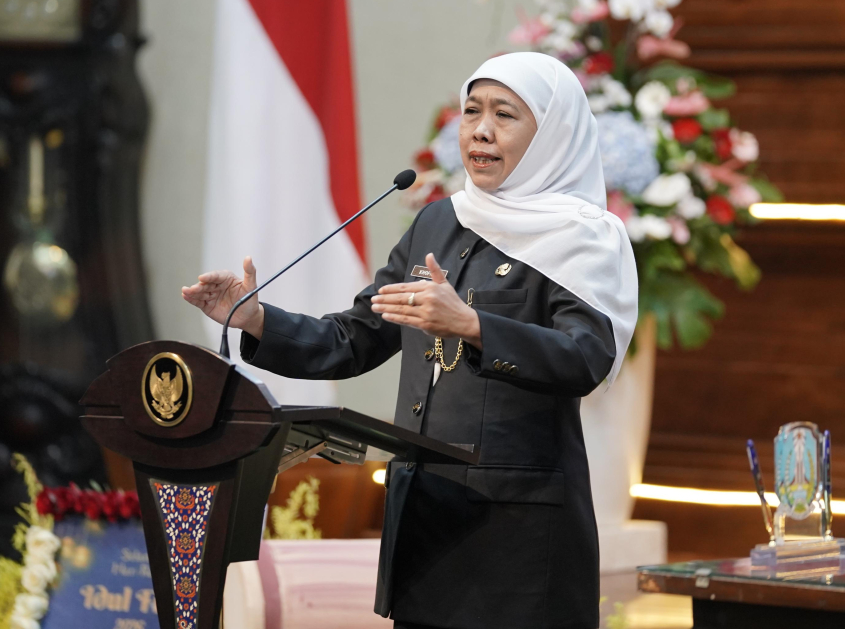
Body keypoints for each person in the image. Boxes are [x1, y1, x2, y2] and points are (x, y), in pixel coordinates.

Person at [182, 52, 638, 629]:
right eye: (472, 110)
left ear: (552, 134)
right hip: (425, 529)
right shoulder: (439, 222)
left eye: (505, 114)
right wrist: (255, 319)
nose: (480, 129)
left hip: (519, 541)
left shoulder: (583, 237)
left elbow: (585, 358)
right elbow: (357, 337)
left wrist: (473, 325)